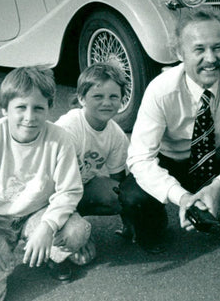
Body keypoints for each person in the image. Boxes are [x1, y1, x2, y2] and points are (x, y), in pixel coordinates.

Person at [127, 7, 220, 256]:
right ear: (179, 52)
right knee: (133, 197)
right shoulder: (160, 90)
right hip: (175, 162)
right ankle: (155, 222)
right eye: (199, 49)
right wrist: (181, 196)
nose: (210, 58)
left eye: (218, 47)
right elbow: (140, 158)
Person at [0, 67, 92, 301]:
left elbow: (70, 191)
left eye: (38, 108)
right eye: (21, 107)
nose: (30, 117)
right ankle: (2, 253)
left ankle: (47, 251)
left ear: (48, 109)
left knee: (76, 232)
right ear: (4, 109)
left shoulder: (59, 139)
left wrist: (47, 227)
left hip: (36, 214)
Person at [55, 62, 167, 257]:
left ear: (122, 100)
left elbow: (119, 181)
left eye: (113, 97)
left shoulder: (116, 135)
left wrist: (129, 222)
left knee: (117, 195)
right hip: (52, 193)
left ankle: (75, 222)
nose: (106, 102)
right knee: (76, 249)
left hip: (80, 187)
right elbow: (52, 181)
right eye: (98, 96)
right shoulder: (69, 127)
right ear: (82, 98)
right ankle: (64, 229)